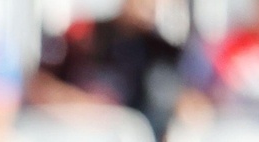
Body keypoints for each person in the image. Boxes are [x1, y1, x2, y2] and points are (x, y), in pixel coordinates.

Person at [29, 0, 188, 134]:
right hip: (67, 138)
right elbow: (37, 85)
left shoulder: (161, 54)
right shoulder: (83, 33)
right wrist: (80, 106)